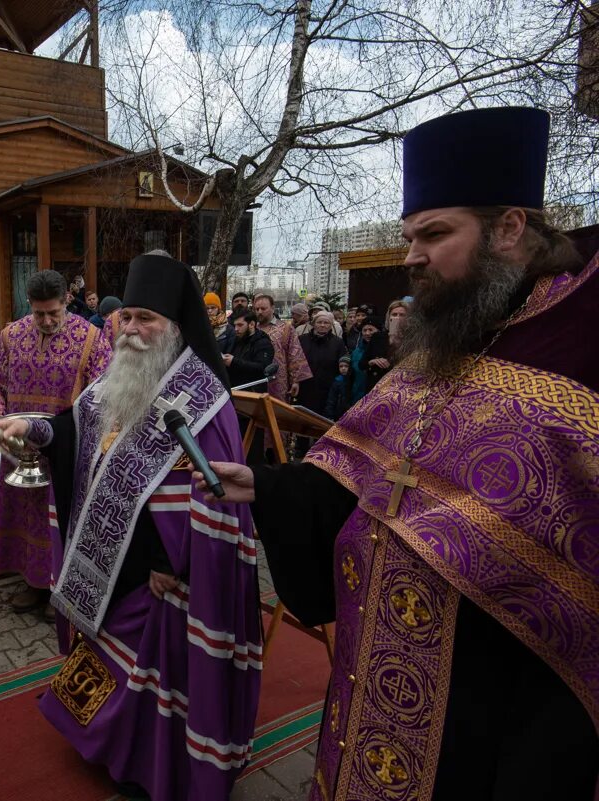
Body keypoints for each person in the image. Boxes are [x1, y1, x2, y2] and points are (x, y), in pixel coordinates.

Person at [195, 106, 599, 801]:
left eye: (434, 234)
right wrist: (265, 485)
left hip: (490, 730)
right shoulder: (442, 345)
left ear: (511, 228)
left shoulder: (580, 359)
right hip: (369, 692)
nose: (410, 255)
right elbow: (360, 482)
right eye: (410, 234)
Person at [0, 253, 259, 801]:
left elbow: (216, 495)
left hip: (163, 575)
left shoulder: (205, 400)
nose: (133, 329)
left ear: (176, 328)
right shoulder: (116, 379)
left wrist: (173, 564)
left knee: (152, 686)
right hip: (107, 557)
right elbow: (78, 426)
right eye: (127, 317)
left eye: (147, 319)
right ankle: (106, 747)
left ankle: (154, 768)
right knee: (108, 665)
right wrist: (36, 428)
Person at [0, 270, 112, 612]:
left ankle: (65, 590)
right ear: (30, 305)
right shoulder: (11, 336)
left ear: (66, 301)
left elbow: (104, 394)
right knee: (27, 516)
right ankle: (33, 584)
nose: (46, 321)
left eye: (53, 313)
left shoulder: (92, 338)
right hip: (17, 449)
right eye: (39, 313)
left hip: (66, 450)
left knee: (63, 518)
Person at [254, 293, 312, 400]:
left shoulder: (285, 328)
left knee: (278, 413)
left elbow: (295, 355)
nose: (259, 312)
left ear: (272, 308)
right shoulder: (252, 329)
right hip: (255, 379)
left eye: (263, 308)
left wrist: (296, 381)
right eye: (257, 309)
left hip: (278, 381)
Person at [297, 310, 347, 413]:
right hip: (306, 387)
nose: (322, 325)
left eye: (326, 323)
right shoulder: (302, 339)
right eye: (319, 322)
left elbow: (342, 363)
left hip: (328, 388)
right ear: (313, 324)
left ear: (331, 325)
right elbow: (296, 361)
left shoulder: (338, 342)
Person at [221, 307, 274, 388]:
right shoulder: (236, 339)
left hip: (253, 392)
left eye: (240, 325)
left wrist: (233, 362)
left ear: (252, 324)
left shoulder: (262, 342)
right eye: (235, 325)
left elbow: (262, 368)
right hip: (235, 390)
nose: (236, 329)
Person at [323, 354, 354, 420]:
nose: (343, 368)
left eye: (346, 366)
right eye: (341, 366)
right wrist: (329, 415)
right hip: (337, 414)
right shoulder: (337, 381)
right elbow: (331, 400)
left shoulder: (353, 381)